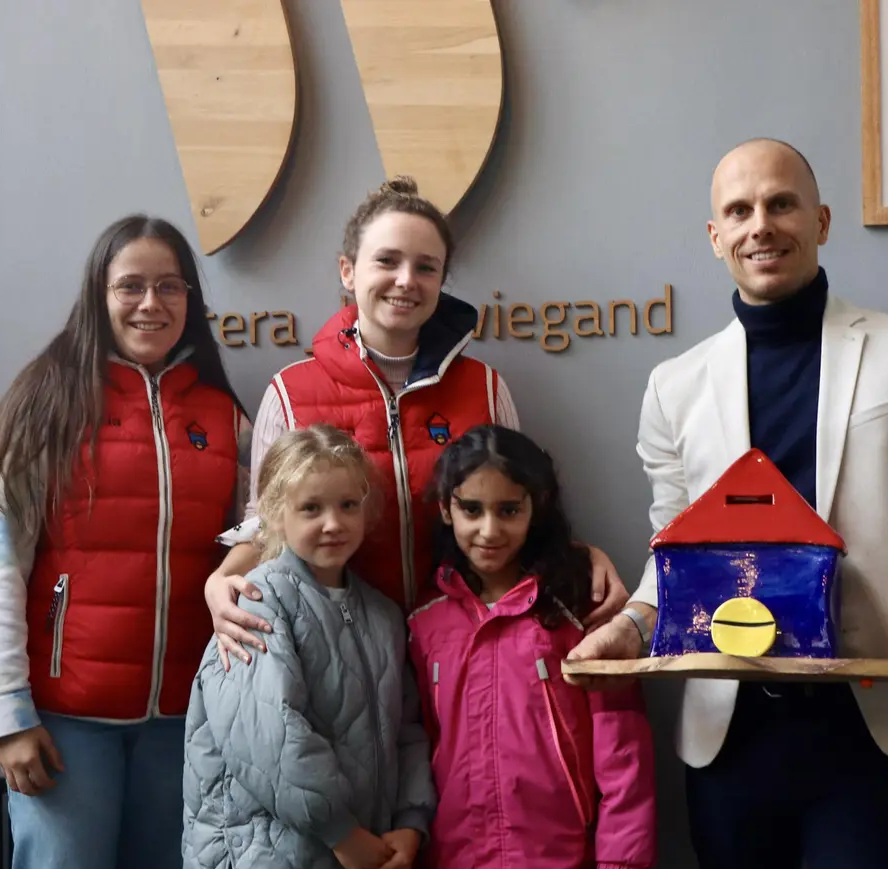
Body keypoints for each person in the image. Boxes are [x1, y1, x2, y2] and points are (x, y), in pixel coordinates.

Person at [610, 137, 888, 869]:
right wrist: (633, 622)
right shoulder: (672, 387)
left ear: (821, 218)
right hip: (731, 734)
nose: (761, 225)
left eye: (781, 203)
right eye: (738, 211)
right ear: (715, 237)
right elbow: (673, 545)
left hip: (873, 729)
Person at [205, 176, 630, 668]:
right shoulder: (290, 393)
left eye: (426, 267)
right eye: (387, 261)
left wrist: (581, 556)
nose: (406, 280)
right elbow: (267, 527)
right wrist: (222, 580)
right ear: (347, 270)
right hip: (340, 651)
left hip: (464, 645)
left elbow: (518, 509)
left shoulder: (486, 387)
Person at [0, 215, 250, 869]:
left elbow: (256, 542)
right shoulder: (47, 401)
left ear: (189, 299)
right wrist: (7, 717)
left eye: (169, 287)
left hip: (186, 720)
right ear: (99, 294)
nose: (151, 304)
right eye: (131, 286)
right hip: (67, 720)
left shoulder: (221, 416)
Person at [181, 424, 435, 869]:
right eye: (311, 508)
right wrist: (341, 831)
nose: (333, 523)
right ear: (276, 514)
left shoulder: (382, 614)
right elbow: (268, 737)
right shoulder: (256, 601)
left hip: (362, 864)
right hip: (274, 867)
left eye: (347, 505)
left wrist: (411, 822)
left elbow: (408, 731)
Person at [408, 425, 657, 869]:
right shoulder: (424, 624)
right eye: (471, 510)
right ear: (445, 508)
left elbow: (624, 756)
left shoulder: (582, 613)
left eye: (508, 510)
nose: (490, 530)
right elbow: (418, 749)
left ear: (535, 507)